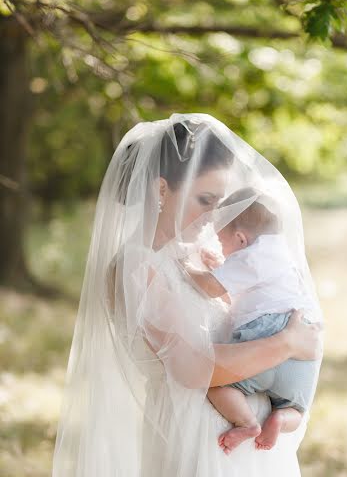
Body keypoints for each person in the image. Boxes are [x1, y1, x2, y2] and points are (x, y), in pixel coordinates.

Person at [52, 113, 323, 477]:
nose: (216, 217)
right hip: (197, 437)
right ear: (162, 190)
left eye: (219, 202)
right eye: (206, 200)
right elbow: (192, 368)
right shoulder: (135, 267)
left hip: (247, 439)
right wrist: (286, 344)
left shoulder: (195, 258)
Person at [183, 187, 321, 456]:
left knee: (214, 385)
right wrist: (221, 266)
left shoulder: (252, 254)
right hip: (301, 354)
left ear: (241, 239)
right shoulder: (280, 254)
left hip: (264, 338)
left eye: (222, 242)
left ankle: (246, 423)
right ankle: (281, 420)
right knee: (297, 410)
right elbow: (248, 293)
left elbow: (210, 288)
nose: (222, 248)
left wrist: (188, 268)